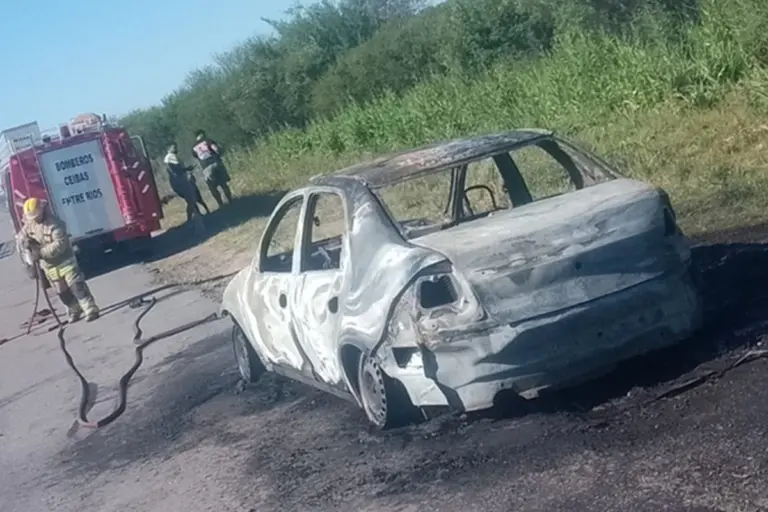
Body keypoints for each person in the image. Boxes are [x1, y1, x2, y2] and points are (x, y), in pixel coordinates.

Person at [17, 198, 100, 323]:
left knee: (76, 286)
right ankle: (74, 310)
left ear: (41, 211)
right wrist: (25, 243)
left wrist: (40, 253)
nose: (34, 219)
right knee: (62, 291)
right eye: (31, 217)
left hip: (65, 261)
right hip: (49, 267)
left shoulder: (55, 224)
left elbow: (60, 244)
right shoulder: (29, 224)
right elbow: (20, 238)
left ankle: (90, 309)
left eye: (36, 216)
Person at [164, 143, 209, 225]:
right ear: (169, 148)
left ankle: (197, 216)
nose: (176, 149)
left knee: (191, 199)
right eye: (174, 147)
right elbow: (176, 169)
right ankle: (189, 220)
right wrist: (188, 169)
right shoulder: (171, 157)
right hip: (180, 182)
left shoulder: (169, 157)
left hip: (179, 181)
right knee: (191, 200)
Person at [191, 129, 233, 208]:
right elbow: (216, 149)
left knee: (213, 187)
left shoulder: (193, 147)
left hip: (206, 168)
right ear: (202, 134)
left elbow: (196, 156)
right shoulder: (208, 140)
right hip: (216, 163)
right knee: (223, 184)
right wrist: (220, 153)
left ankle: (220, 204)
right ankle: (230, 201)